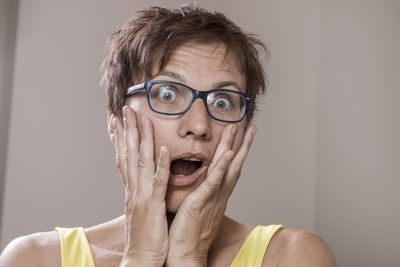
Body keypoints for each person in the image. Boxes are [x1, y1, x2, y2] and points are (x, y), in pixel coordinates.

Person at [0, 5, 336, 267]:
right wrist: (141, 258)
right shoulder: (34, 258)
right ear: (116, 123)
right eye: (167, 94)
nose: (199, 126)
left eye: (223, 101)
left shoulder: (293, 256)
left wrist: (189, 256)